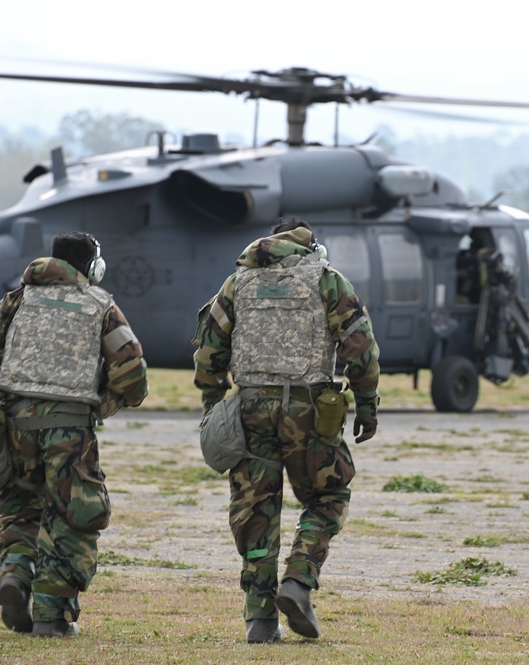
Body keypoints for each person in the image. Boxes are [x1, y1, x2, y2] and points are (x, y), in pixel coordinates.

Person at [0, 231, 148, 638]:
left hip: (13, 423)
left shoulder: (15, 301)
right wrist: (105, 404)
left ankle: (16, 575)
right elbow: (132, 375)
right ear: (91, 267)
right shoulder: (100, 305)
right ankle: (51, 617)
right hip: (70, 430)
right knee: (73, 517)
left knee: (22, 503)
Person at [192, 216, 380, 643]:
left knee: (256, 508)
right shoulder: (326, 280)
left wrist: (212, 404)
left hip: (250, 408)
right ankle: (298, 578)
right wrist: (366, 405)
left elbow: (209, 351)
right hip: (309, 411)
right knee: (328, 495)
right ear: (309, 244)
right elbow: (360, 346)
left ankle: (260, 619)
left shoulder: (237, 283)